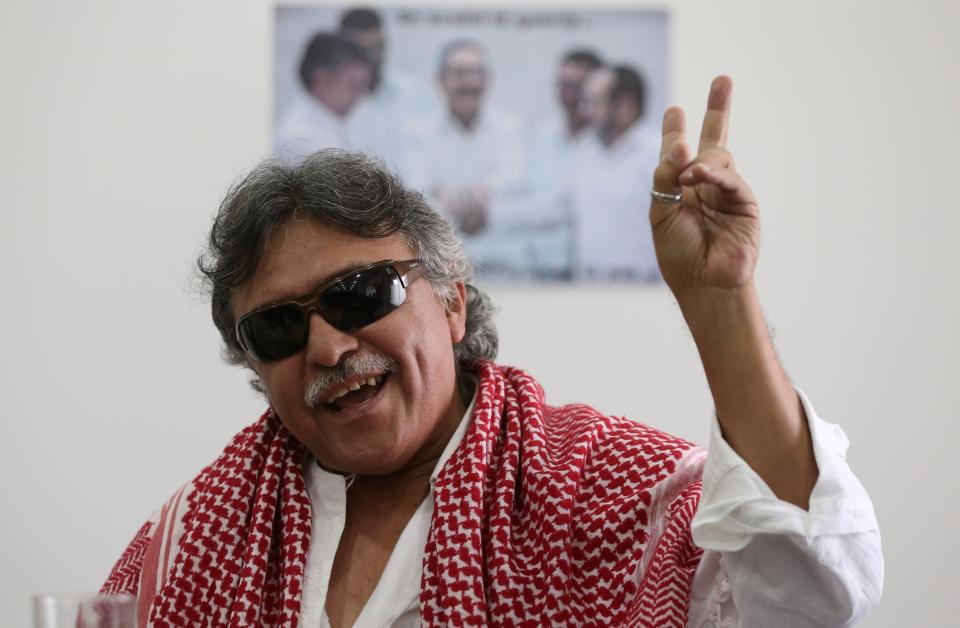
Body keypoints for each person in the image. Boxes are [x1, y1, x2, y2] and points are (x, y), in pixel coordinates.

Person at [103, 77, 882, 626]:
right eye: (278, 327)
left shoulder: (602, 486)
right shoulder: (199, 535)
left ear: (451, 301)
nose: (328, 345)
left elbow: (815, 591)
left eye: (359, 295)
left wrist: (722, 308)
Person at [402, 39, 528, 275]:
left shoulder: (511, 127)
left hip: (504, 263)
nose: (470, 81)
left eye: (478, 73)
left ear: (488, 80)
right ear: (441, 80)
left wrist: (458, 196)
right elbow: (415, 189)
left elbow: (515, 182)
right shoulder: (417, 132)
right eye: (460, 73)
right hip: (441, 266)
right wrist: (475, 199)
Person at [570, 64, 662, 281]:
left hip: (643, 295)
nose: (583, 110)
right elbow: (556, 205)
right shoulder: (584, 148)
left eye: (593, 102)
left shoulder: (659, 155)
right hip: (587, 293)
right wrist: (489, 210)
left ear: (626, 106)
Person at [338, 8, 428, 172]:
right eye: (364, 50)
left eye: (379, 46)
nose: (375, 57)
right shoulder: (335, 103)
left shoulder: (413, 91)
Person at [274, 32, 371, 163]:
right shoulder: (302, 141)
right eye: (354, 85)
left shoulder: (325, 125)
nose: (361, 95)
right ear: (322, 79)